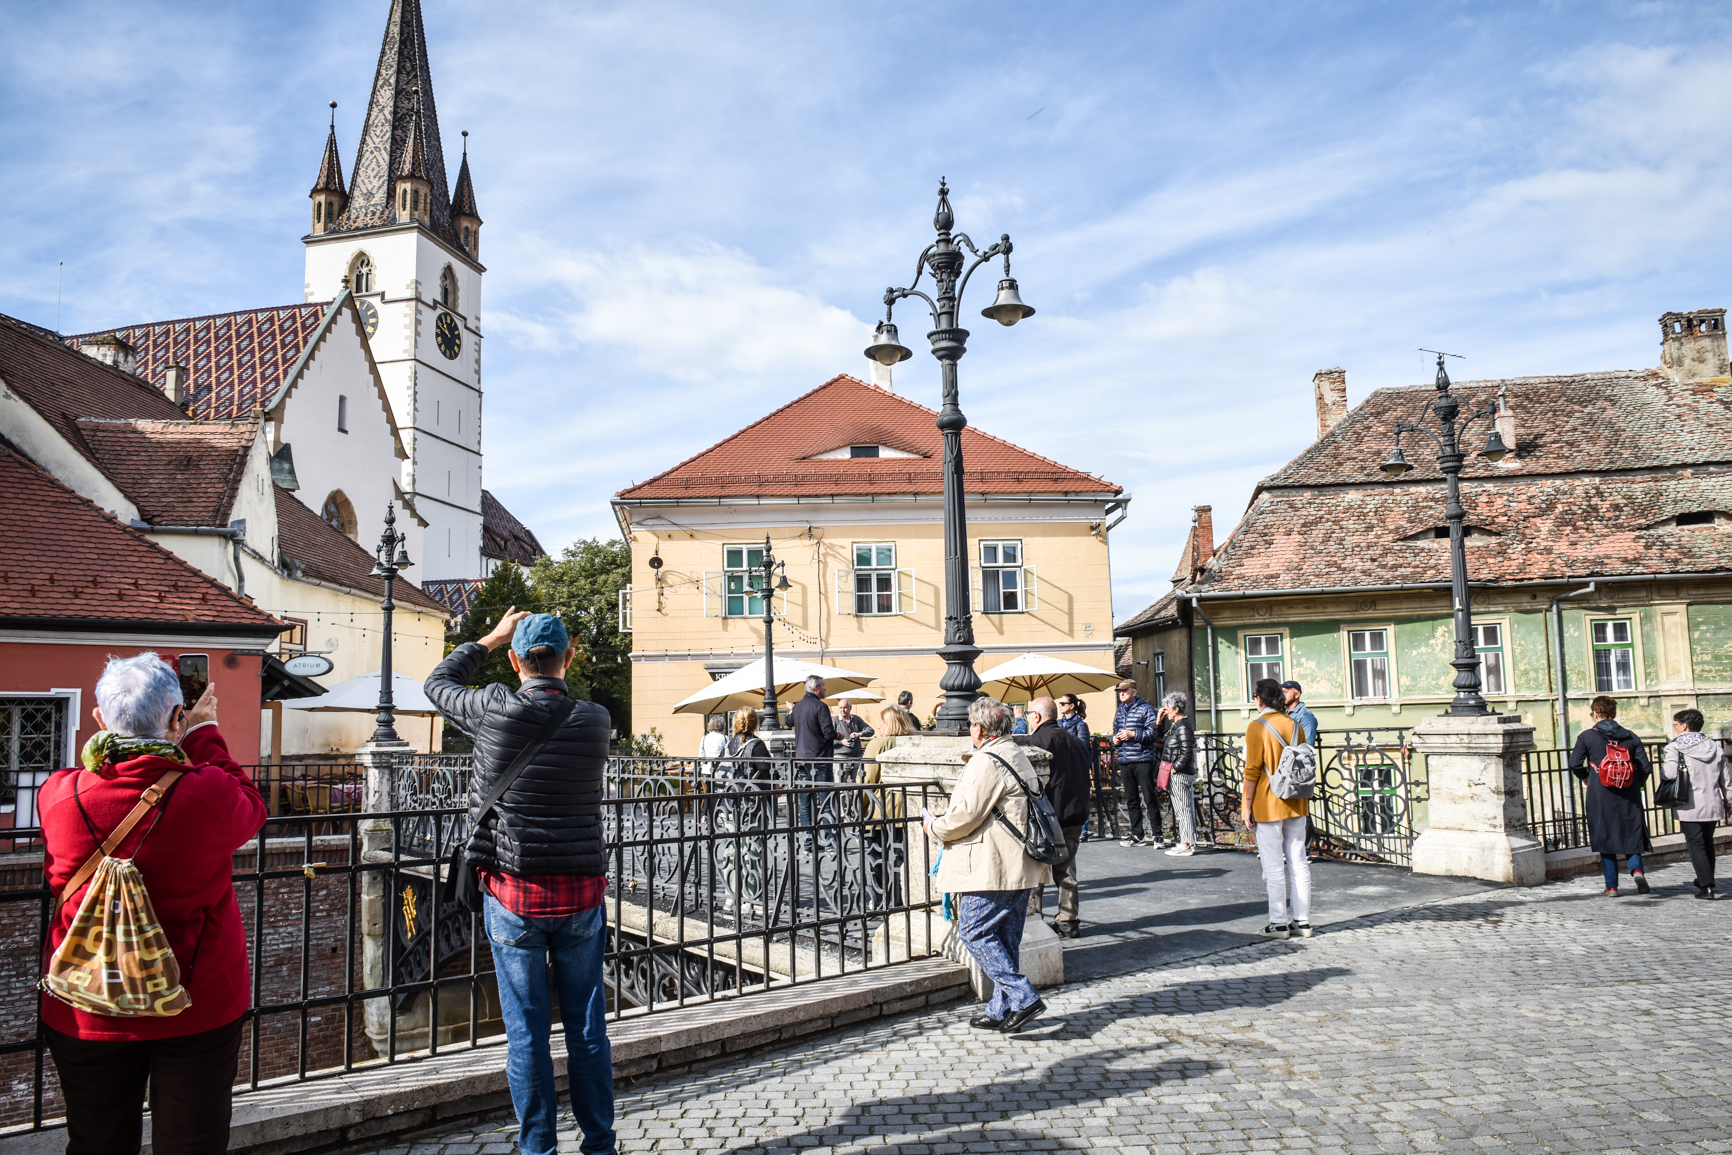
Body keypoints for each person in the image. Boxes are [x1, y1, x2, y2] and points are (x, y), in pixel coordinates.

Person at [39, 654, 264, 1155]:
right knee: (192, 1143)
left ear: (98, 720)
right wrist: (202, 733)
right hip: (195, 1004)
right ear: (177, 718)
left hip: (85, 1006)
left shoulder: (58, 795)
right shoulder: (208, 796)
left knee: (96, 1140)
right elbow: (251, 803)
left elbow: (98, 777)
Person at [424, 609, 615, 1155]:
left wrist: (488, 637)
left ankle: (538, 1150)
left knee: (528, 1035)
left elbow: (438, 684)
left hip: (514, 894)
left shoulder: (491, 710)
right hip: (581, 897)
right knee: (586, 1030)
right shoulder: (595, 719)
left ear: (514, 660)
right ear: (569, 658)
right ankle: (600, 1145)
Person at [924, 697, 1049, 1033]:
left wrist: (933, 827)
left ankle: (1023, 997)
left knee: (974, 930)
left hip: (995, 865)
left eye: (970, 724)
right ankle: (1000, 1008)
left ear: (977, 728)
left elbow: (966, 815)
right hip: (1022, 863)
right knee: (1006, 938)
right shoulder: (1015, 753)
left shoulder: (987, 760)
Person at [1242, 677, 1311, 940]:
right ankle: (1303, 921)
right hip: (1297, 798)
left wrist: (1246, 806)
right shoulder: (1294, 724)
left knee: (1273, 864)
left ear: (1259, 698)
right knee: (1299, 862)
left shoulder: (1257, 727)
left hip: (1268, 801)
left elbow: (1252, 771)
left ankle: (1279, 922)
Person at [1568, 695, 1654, 896]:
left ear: (1595, 714)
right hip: (1629, 792)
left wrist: (1585, 777)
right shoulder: (1631, 736)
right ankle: (1637, 871)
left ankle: (1612, 887)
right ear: (1614, 713)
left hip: (1601, 793)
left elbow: (1574, 763)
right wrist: (1634, 783)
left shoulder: (1587, 736)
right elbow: (1645, 767)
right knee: (1632, 832)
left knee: (1605, 836)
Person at [1025, 696, 1092, 938]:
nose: (1027, 717)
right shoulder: (1073, 739)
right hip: (1075, 812)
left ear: (1037, 716)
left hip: (1049, 815)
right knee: (1066, 869)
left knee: (1037, 870)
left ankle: (1035, 919)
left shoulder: (1038, 740)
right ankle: (1068, 920)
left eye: (1028, 713)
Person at [1660, 708, 1730, 899]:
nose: (1675, 728)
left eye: (1676, 725)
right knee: (1707, 843)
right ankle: (1705, 879)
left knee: (1695, 844)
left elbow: (1671, 773)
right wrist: (1729, 802)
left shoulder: (1675, 747)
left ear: (1684, 726)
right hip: (1713, 803)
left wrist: (1662, 769)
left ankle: (1706, 886)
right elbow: (1726, 781)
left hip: (1688, 804)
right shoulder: (1715, 747)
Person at [1111, 679, 1163, 847]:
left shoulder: (1145, 709)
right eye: (1120, 691)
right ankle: (1137, 834)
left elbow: (1152, 734)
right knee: (1131, 799)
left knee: (1149, 797)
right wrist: (1115, 740)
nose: (1122, 693)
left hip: (1142, 759)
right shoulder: (1119, 712)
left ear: (1134, 691)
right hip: (1126, 759)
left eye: (1125, 690)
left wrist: (1133, 734)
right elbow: (1115, 732)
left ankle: (1158, 835)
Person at [788, 675, 838, 834]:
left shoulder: (798, 707)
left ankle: (808, 842)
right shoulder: (820, 706)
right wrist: (840, 736)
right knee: (826, 802)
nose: (825, 688)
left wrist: (791, 710)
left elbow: (789, 722)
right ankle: (829, 840)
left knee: (805, 803)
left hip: (802, 761)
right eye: (823, 685)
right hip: (820, 761)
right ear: (816, 688)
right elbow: (828, 733)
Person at [1160, 691, 1199, 856]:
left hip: (1179, 774)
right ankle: (1186, 842)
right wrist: (1158, 721)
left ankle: (1187, 844)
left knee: (1184, 809)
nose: (1165, 710)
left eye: (1167, 708)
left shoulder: (1183, 727)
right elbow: (1159, 739)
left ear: (1176, 709)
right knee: (1182, 809)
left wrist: (1174, 769)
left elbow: (1186, 752)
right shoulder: (1176, 726)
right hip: (1177, 773)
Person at [862, 705, 913, 784]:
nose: (878, 727)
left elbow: (867, 777)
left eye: (880, 722)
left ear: (888, 723)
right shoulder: (914, 742)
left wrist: (856, 795)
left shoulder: (877, 744)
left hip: (884, 794)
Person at [833, 697, 875, 762]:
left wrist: (859, 734)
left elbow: (871, 731)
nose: (842, 710)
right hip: (840, 757)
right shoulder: (834, 721)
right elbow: (826, 739)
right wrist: (841, 742)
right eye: (840, 708)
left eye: (845, 707)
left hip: (857, 756)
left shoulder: (856, 719)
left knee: (859, 772)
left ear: (850, 708)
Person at [1281, 681, 1319, 747]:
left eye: (1285, 692)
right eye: (1281, 692)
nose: (1282, 695)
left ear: (1297, 694)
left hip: (1296, 756)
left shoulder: (1306, 716)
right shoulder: (1283, 713)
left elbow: (1307, 746)